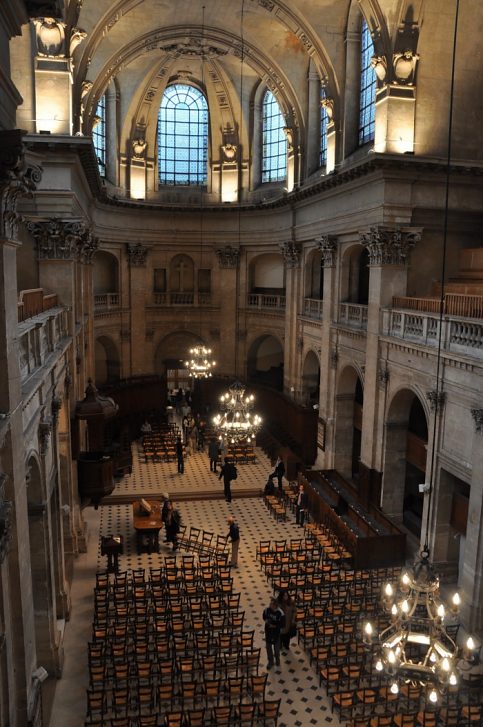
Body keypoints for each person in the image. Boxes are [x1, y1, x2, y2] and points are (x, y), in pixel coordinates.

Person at [262, 597, 285, 669]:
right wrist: (266, 621)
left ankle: (277, 660)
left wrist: (274, 626)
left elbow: (282, 624)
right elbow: (264, 616)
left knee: (276, 649)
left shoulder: (280, 613)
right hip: (268, 632)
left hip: (276, 633)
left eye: (271, 604)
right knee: (268, 648)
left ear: (275, 605)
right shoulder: (267, 610)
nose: (269, 605)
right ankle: (270, 662)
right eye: (270, 603)